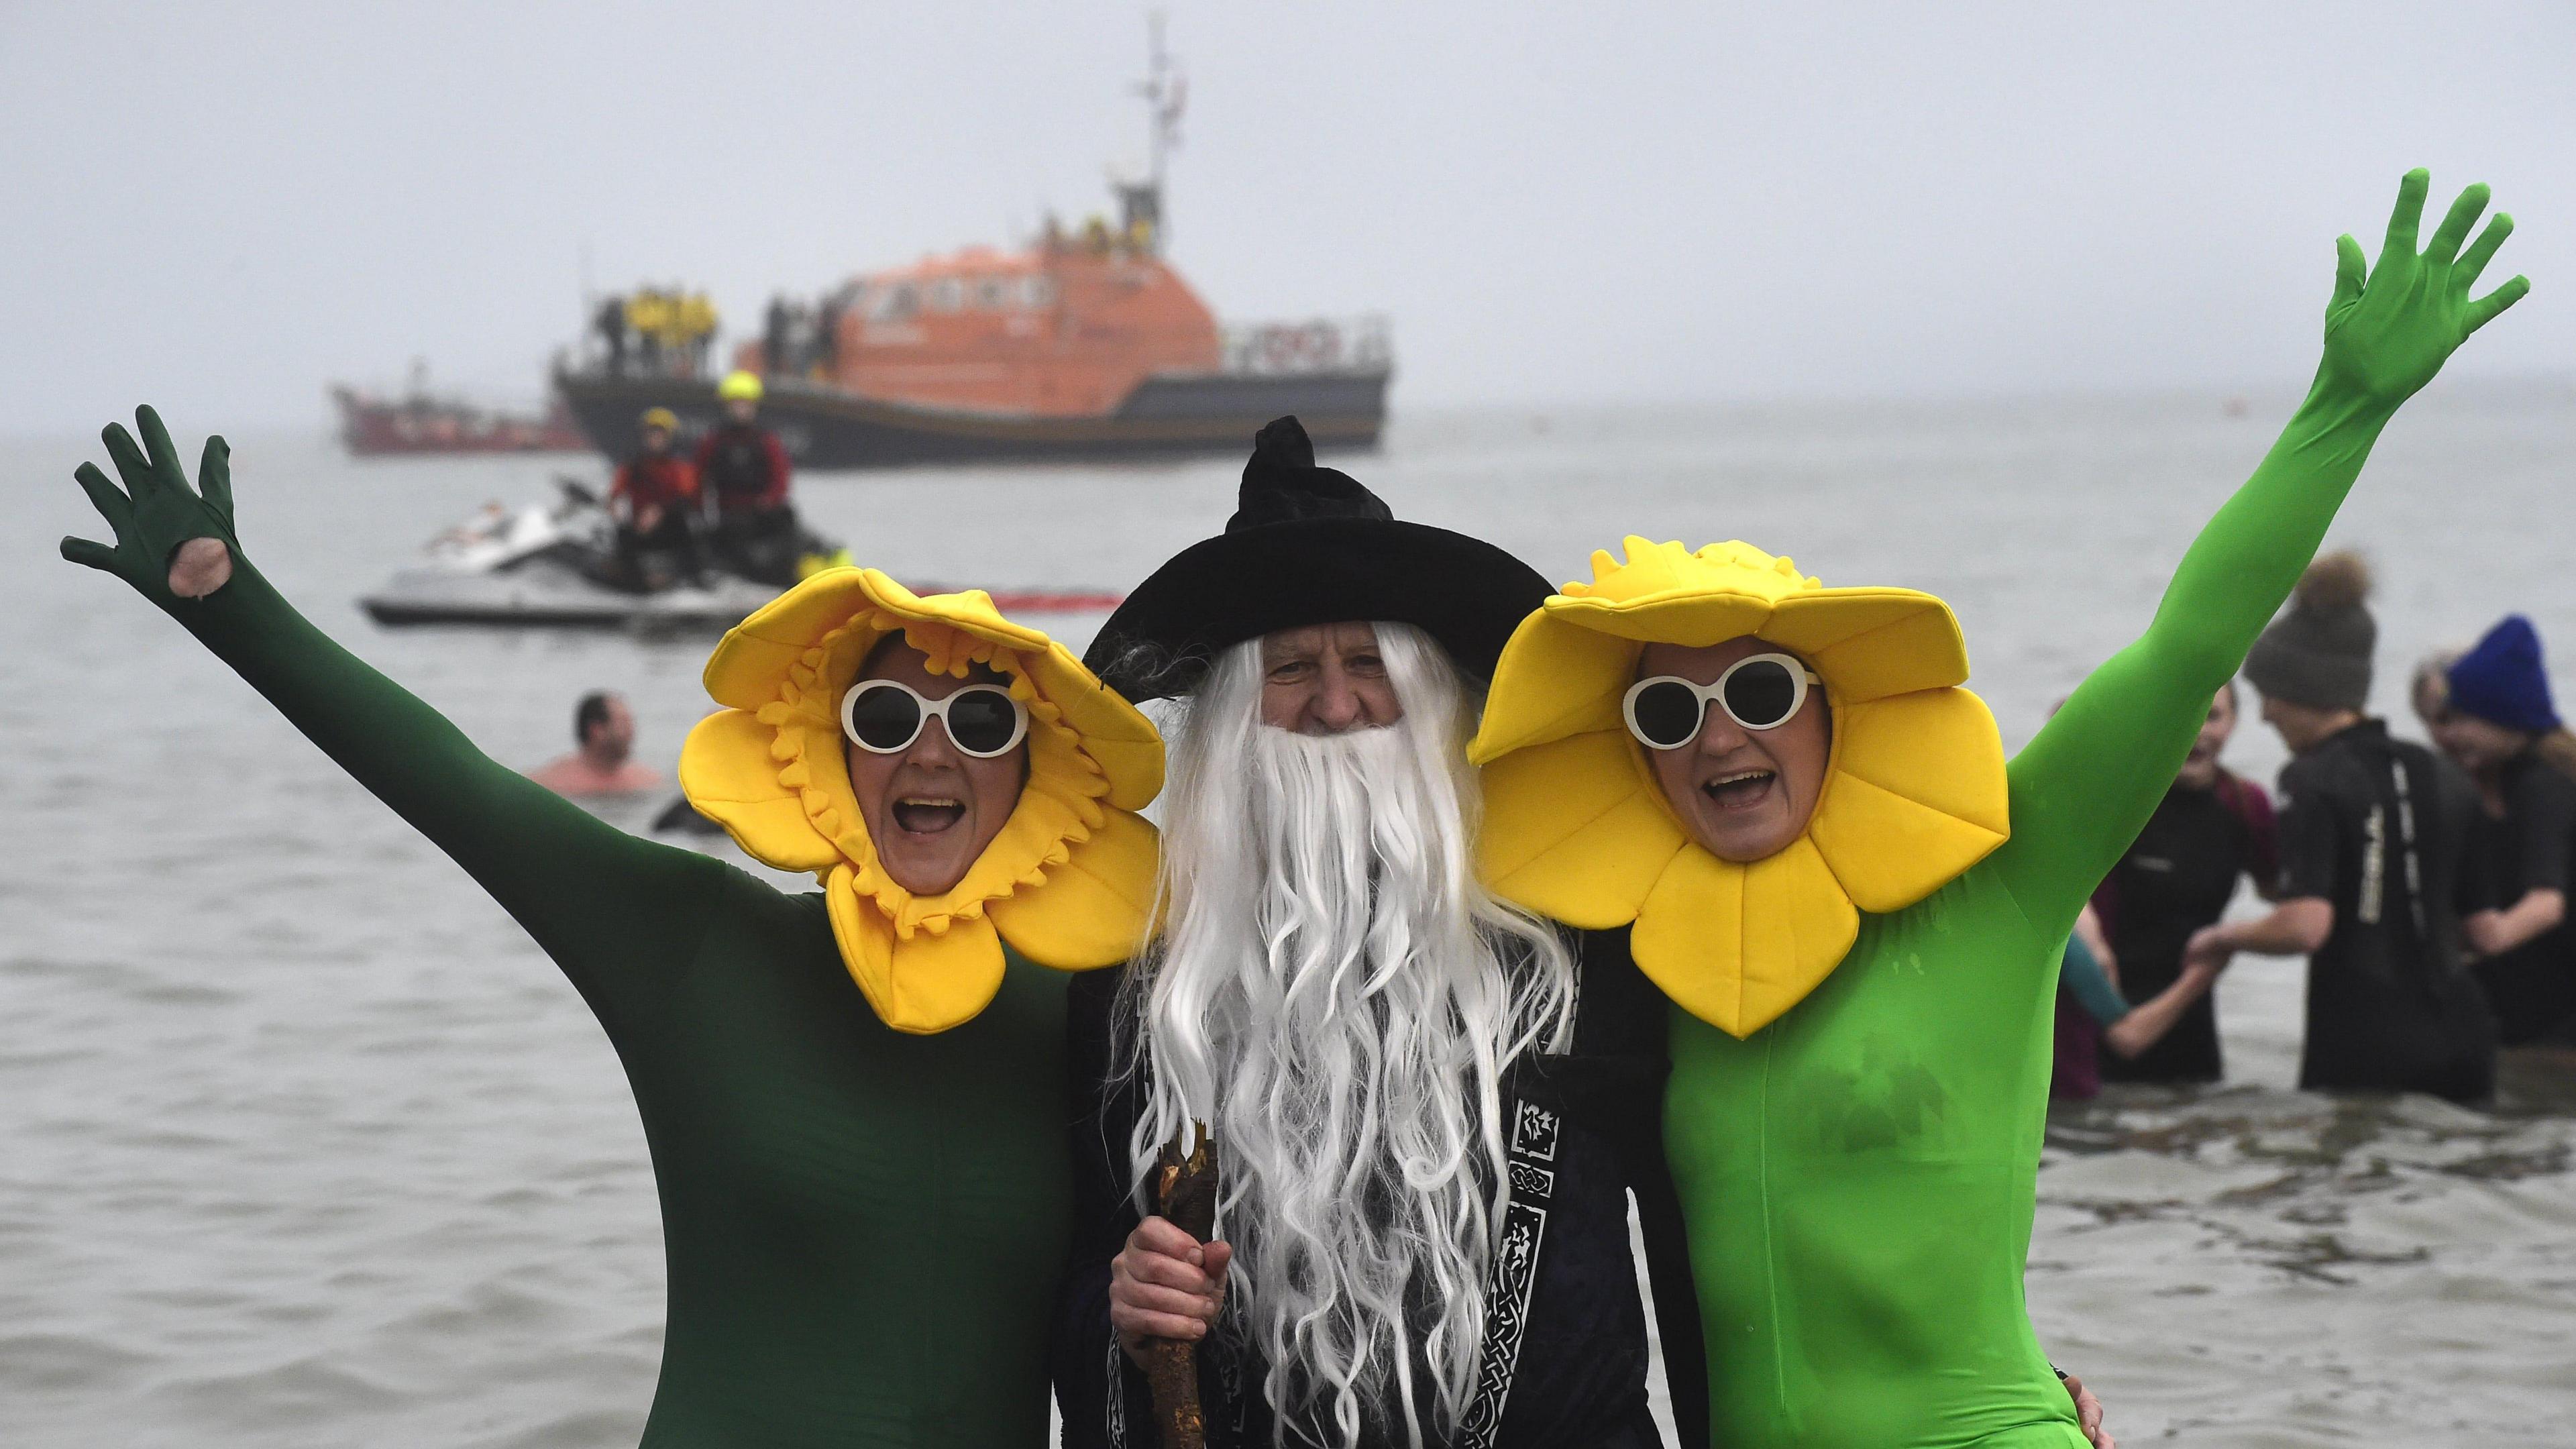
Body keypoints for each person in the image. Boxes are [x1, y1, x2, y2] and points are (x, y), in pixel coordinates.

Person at [1465, 170, 2524, 1446]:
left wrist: (2342, 410)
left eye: (1755, 687)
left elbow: (2181, 653)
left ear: (1833, 712)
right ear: (1637, 762)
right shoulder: (1640, 964)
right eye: (1668, 714)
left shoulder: (1996, 884)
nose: (1720, 733)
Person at [58, 409, 1165, 1447]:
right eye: (886, 718)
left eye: (979, 720)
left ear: (1031, 768)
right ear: (832, 755)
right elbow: (462, 790)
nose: (931, 754)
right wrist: (226, 600)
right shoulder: (701, 949)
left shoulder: (1100, 1007)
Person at [1056, 421, 2110, 1448]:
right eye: (1290, 669)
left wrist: (1999, 1378)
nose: (1339, 705)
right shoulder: (1149, 995)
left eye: (1370, 662)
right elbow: (1092, 1293)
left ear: (1435, 702)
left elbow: (1739, 1224)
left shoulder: (1582, 947)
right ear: (1234, 716)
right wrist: (1128, 1318)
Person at [2188, 551, 2498, 1102]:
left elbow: (2306, 925)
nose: (2265, 716)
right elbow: (2484, 932)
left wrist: (2221, 936)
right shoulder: (2441, 772)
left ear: (2308, 691)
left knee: (2349, 1184)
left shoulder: (2311, 778)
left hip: (2365, 1037)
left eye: (2271, 697)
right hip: (2466, 1034)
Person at [2090, 683, 2279, 1084]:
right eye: (2184, 715)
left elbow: (2281, 891)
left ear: (2233, 724)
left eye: (2213, 717)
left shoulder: (2246, 805)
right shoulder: (2121, 800)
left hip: (2192, 1024)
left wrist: (2235, 937)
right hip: (2103, 1017)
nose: (2199, 731)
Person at [2429, 615, 2576, 1044]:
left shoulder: (2541, 786)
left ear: (2502, 716)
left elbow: (2546, 903)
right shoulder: (2531, 775)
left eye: (2460, 718)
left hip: (2557, 1018)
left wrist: (2482, 942)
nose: (2450, 735)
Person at [694, 370, 802, 585]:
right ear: (727, 407)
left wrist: (767, 501)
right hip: (729, 515)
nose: (741, 410)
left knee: (788, 523)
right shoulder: (714, 441)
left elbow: (780, 479)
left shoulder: (767, 441)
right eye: (736, 404)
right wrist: (700, 513)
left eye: (746, 405)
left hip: (762, 514)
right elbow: (699, 479)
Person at [608, 406, 703, 589]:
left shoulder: (680, 467)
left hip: (670, 526)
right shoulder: (633, 466)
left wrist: (660, 512)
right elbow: (615, 494)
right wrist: (614, 508)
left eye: (661, 435)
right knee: (624, 536)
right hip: (641, 527)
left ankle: (693, 581)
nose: (656, 440)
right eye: (652, 434)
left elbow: (687, 497)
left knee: (687, 531)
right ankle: (634, 584)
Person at [529, 689, 661, 796]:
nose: (632, 732)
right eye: (623, 723)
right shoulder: (553, 783)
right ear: (596, 730)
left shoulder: (647, 780)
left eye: (631, 723)